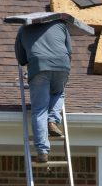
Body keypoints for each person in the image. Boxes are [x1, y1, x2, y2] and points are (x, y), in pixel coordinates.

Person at [14, 20, 73, 163]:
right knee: (58, 92)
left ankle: (42, 151)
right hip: (62, 64)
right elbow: (69, 51)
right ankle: (52, 120)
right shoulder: (60, 25)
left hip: (38, 65)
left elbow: (21, 59)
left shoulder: (24, 28)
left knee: (40, 110)